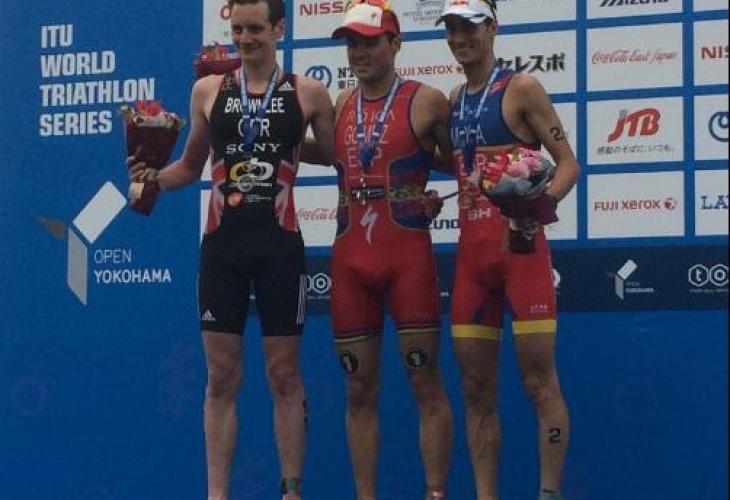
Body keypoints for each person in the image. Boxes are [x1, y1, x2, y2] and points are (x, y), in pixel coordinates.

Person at [127, 1, 335, 499]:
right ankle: (217, 494)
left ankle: (291, 491)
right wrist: (151, 178)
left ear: (279, 28)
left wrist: (288, 147)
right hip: (223, 247)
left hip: (280, 247)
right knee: (221, 377)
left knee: (283, 374)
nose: (245, 38)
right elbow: (189, 166)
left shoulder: (308, 93)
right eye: (238, 28)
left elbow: (333, 156)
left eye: (255, 28)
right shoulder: (209, 90)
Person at [436, 0, 580, 499]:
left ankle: (549, 493)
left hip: (522, 255)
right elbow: (462, 170)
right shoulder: (454, 98)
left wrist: (541, 203)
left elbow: (568, 165)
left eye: (470, 27)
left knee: (540, 384)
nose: (460, 38)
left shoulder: (521, 87)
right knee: (475, 391)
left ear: (493, 28)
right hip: (472, 263)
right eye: (452, 29)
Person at [326, 1, 454, 498]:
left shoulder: (428, 101)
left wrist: (433, 197)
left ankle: (435, 492)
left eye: (369, 42)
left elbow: (461, 162)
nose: (359, 52)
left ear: (396, 43)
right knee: (358, 389)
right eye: (351, 43)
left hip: (407, 259)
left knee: (424, 381)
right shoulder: (340, 103)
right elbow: (319, 153)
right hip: (350, 260)